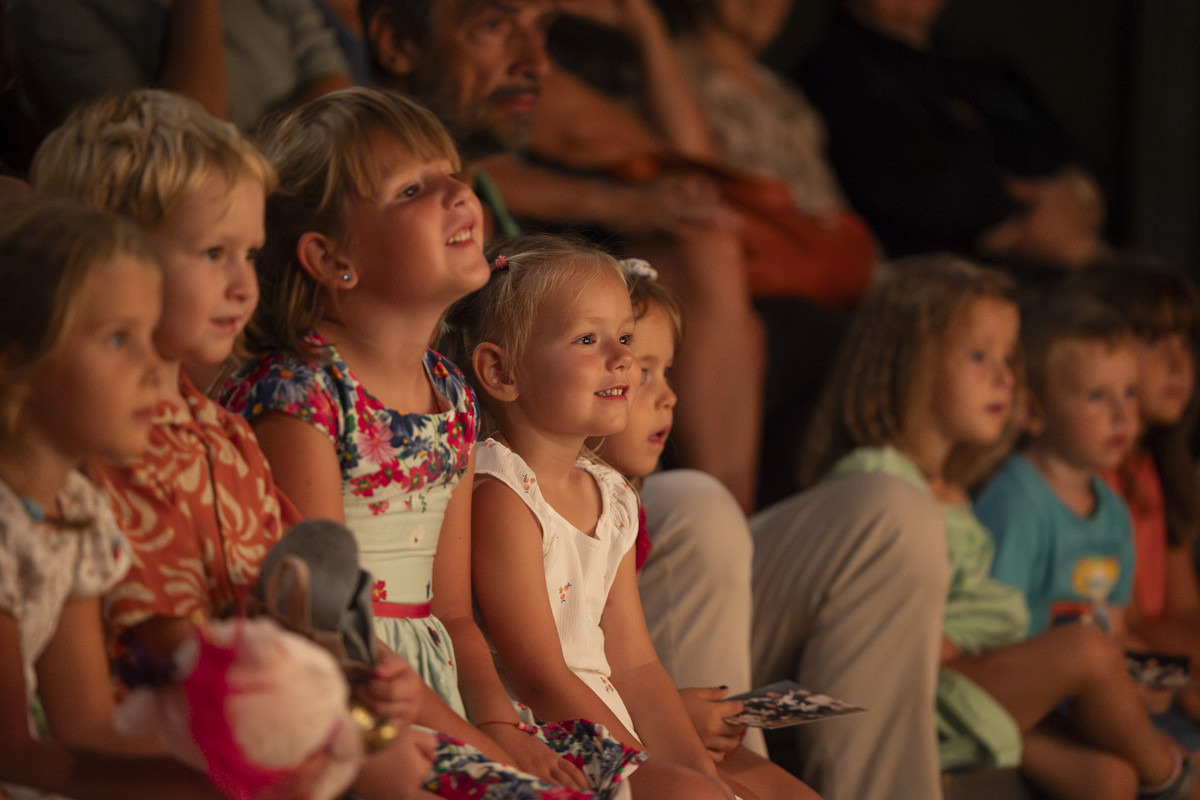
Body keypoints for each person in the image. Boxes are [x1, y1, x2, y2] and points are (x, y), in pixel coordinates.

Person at [220, 86, 643, 798]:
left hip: (442, 695)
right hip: (355, 706)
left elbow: (450, 615)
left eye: (452, 172)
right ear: (331, 258)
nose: (458, 193)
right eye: (413, 187)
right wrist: (479, 745)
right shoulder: (299, 399)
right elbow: (328, 634)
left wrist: (503, 732)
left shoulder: (449, 396)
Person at [361, 0, 763, 725]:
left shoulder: (496, 219)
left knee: (699, 509)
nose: (536, 62)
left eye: (542, 31)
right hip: (505, 544)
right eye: (492, 26)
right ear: (391, 40)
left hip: (578, 492)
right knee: (697, 510)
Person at [29, 89, 437, 800]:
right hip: (171, 742)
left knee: (396, 760)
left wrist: (359, 682)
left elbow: (295, 608)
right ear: (111, 253)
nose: (243, 284)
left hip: (264, 721)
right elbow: (161, 659)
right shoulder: (88, 455)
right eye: (213, 252)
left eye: (249, 253)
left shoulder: (226, 434)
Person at [801, 254, 1200, 800]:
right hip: (925, 691)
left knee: (1107, 777)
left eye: (1009, 358)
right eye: (979, 356)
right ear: (911, 362)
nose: (1004, 377)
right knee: (1084, 651)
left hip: (982, 686)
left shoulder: (957, 490)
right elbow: (891, 639)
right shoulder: (874, 485)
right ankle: (1174, 777)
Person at [454, 233, 819, 800]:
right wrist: (644, 768)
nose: (622, 357)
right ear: (501, 372)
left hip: (616, 724)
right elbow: (539, 675)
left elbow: (636, 665)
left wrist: (697, 770)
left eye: (623, 337)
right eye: (587, 339)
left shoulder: (612, 494)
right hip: (552, 735)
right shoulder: (501, 490)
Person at [0, 198, 222, 800]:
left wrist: (241, 754)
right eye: (118, 338)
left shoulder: (73, 508)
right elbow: (13, 755)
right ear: (15, 364)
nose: (156, 368)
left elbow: (89, 727)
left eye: (151, 336)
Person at [588, 259, 765, 757]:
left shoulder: (624, 509)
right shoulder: (524, 505)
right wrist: (670, 712)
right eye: (643, 372)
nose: (669, 396)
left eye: (666, 370)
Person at [800, 0, 1107, 270]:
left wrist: (1079, 193)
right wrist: (1016, 223)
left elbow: (1062, 147)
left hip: (1059, 260)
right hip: (948, 283)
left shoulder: (980, 62)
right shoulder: (836, 74)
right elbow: (915, 188)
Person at [1076, 262, 1200, 743]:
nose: (1179, 363)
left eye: (1186, 342)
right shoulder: (1085, 477)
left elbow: (1181, 609)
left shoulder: (1153, 467)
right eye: (1153, 341)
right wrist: (1183, 673)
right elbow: (1119, 624)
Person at [975, 289, 1139, 635]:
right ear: (1033, 411)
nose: (1122, 414)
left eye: (1130, 393)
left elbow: (1116, 625)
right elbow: (994, 627)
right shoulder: (1015, 503)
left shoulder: (1114, 511)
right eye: (1096, 396)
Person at [9, 0, 352, 132]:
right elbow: (186, 136)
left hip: (301, 181)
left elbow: (334, 83)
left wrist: (272, 159)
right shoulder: (54, 10)